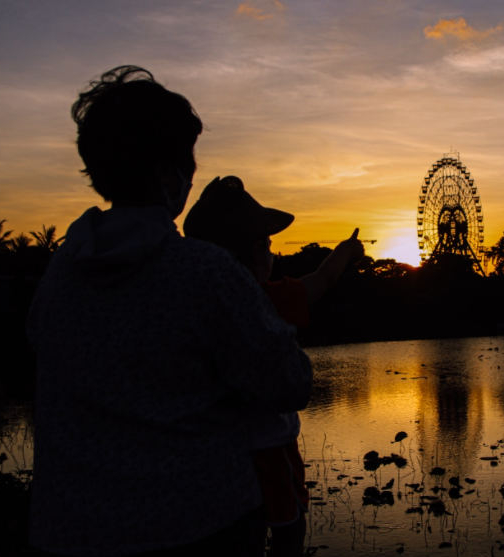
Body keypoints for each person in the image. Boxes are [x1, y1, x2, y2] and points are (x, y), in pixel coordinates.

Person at [27, 66, 312, 557]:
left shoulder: (60, 273)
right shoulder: (203, 271)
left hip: (68, 534)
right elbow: (289, 382)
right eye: (189, 160)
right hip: (194, 531)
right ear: (166, 173)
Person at [182, 176, 364, 557]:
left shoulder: (189, 303)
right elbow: (323, 279)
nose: (274, 255)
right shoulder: (266, 298)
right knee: (289, 530)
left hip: (212, 455)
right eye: (268, 246)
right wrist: (345, 251)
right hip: (270, 447)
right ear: (248, 256)